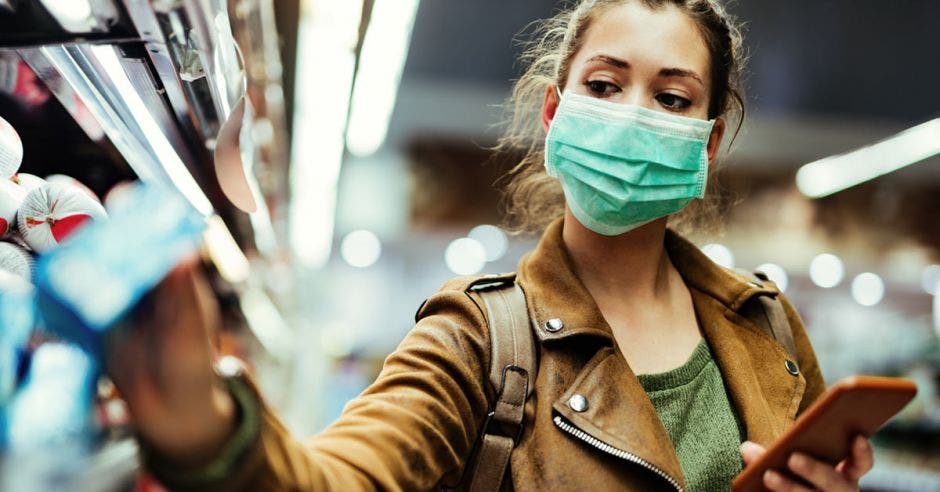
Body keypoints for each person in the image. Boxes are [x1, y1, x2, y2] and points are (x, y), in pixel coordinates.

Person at [105, 0, 876, 490]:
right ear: (553, 114)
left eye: (671, 98)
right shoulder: (479, 339)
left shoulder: (767, 328)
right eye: (604, 87)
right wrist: (211, 430)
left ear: (705, 145)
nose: (634, 115)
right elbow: (340, 479)